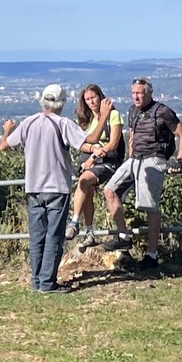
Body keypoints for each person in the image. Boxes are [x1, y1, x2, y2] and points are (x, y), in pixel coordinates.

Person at [0, 82, 85, 292]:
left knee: (37, 237)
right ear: (61, 103)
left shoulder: (29, 123)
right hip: (57, 187)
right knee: (54, 237)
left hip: (34, 187)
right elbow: (85, 142)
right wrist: (102, 118)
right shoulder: (63, 123)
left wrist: (7, 130)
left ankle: (37, 281)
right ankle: (48, 283)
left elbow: (4, 145)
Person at [101, 76, 182, 265]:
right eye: (133, 93)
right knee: (109, 190)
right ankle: (123, 236)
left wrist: (179, 161)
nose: (136, 97)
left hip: (154, 159)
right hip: (135, 160)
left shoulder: (163, 111)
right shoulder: (133, 111)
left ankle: (151, 255)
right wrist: (130, 156)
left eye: (140, 93)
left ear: (149, 92)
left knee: (150, 207)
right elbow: (133, 135)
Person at [69, 84, 122, 244]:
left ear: (100, 96)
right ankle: (90, 231)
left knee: (84, 181)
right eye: (87, 99)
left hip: (107, 161)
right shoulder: (86, 120)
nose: (91, 102)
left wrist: (94, 156)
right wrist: (92, 149)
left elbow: (113, 143)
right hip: (88, 160)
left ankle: (74, 222)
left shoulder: (113, 115)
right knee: (87, 191)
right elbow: (81, 143)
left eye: (93, 97)